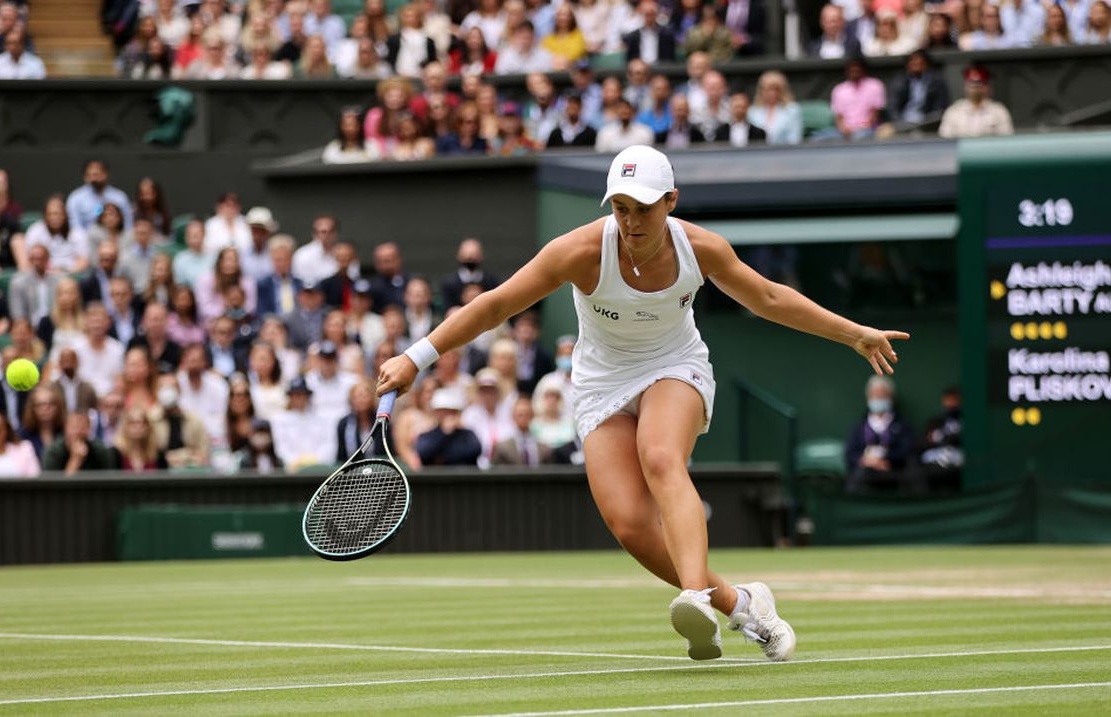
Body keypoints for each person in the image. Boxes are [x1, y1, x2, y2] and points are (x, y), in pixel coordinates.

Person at [377, 145, 908, 661]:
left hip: (675, 365)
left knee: (659, 456)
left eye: (644, 209)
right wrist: (415, 357)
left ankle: (694, 596)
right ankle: (742, 604)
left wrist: (851, 333)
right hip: (600, 383)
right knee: (630, 525)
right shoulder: (580, 251)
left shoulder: (701, 248)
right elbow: (495, 305)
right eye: (622, 209)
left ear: (671, 202)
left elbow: (768, 297)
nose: (631, 222)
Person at [844, 375, 919, 493]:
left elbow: (907, 448)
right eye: (875, 396)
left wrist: (887, 460)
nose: (879, 399)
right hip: (866, 474)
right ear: (868, 398)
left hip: (895, 472)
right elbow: (850, 453)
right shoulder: (859, 426)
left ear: (891, 398)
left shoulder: (902, 424)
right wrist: (865, 461)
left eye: (883, 396)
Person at [939, 64, 1014, 139]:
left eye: (980, 86)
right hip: (961, 149)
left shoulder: (998, 111)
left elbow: (1006, 139)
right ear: (966, 87)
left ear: (987, 88)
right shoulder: (954, 111)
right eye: (972, 86)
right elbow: (945, 141)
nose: (976, 90)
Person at [24, 195, 91, 275]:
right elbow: (29, 260)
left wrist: (65, 273)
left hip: (70, 276)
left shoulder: (77, 233)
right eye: (50, 214)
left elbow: (83, 261)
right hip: (43, 276)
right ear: (45, 216)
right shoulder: (35, 231)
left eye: (57, 214)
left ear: (65, 214)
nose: (53, 217)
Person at [416, 386, 482, 466]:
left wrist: (442, 457)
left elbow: (476, 450)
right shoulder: (427, 435)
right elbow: (423, 453)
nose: (447, 415)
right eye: (443, 411)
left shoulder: (467, 434)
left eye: (451, 411)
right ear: (436, 413)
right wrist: (444, 433)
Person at [66, 159, 133, 233]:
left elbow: (128, 224)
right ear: (86, 176)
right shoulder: (76, 198)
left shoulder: (119, 197)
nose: (94, 178)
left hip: (116, 240)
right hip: (85, 241)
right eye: (91, 175)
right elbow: (75, 226)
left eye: (97, 174)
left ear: (106, 174)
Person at [42, 411, 119, 474]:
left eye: (82, 427)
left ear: (89, 429)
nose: (78, 432)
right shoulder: (53, 451)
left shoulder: (101, 450)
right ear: (65, 428)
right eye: (74, 427)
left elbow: (109, 481)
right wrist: (76, 460)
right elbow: (53, 487)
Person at [886, 50, 950, 127]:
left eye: (920, 63)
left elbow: (939, 108)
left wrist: (928, 123)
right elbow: (893, 107)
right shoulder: (899, 81)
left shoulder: (937, 82)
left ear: (927, 64)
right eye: (913, 63)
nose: (916, 65)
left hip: (928, 124)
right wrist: (899, 124)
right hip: (902, 123)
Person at [491, 395, 552, 465]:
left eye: (527, 414)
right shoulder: (503, 448)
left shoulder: (544, 448)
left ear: (532, 416)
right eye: (520, 415)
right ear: (513, 417)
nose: (523, 418)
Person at [747, 71, 803, 145]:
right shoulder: (752, 111)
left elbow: (795, 139)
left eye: (776, 89)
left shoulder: (793, 110)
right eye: (769, 89)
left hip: (785, 153)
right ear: (761, 91)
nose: (772, 93)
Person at [115, 406, 166, 472]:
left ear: (149, 427)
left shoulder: (158, 455)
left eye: (143, 422)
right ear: (125, 427)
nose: (138, 426)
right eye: (132, 422)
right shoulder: (116, 455)